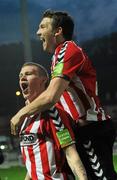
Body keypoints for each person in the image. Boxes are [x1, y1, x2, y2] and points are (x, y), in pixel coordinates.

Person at [10, 10, 117, 179]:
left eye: (42, 27)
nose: (38, 32)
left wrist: (20, 114)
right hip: (82, 130)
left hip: (90, 129)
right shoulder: (57, 58)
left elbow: (51, 96)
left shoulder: (68, 49)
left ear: (58, 31)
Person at [16, 62, 87, 180]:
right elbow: (33, 164)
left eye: (28, 74)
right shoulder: (25, 117)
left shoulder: (53, 113)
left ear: (43, 80)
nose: (22, 78)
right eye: (20, 76)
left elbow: (71, 154)